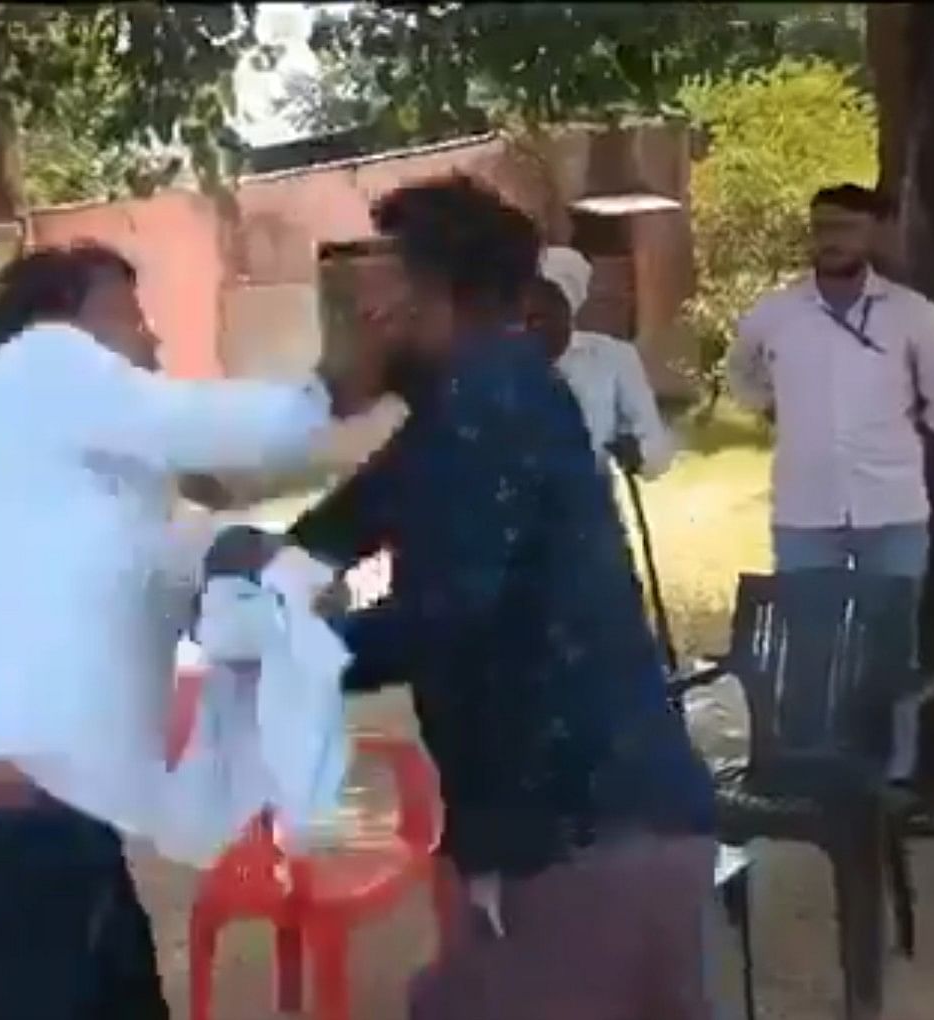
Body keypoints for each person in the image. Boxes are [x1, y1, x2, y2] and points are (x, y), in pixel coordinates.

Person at [0, 242, 380, 1020]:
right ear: (66, 323)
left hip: (59, 825)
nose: (152, 343)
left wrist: (277, 571)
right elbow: (193, 423)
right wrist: (333, 392)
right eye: (131, 317)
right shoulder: (36, 361)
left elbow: (189, 567)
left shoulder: (87, 499)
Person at [289, 177, 717, 1020]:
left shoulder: (489, 403)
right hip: (588, 828)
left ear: (426, 292)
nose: (357, 314)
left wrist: (275, 646)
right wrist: (244, 567)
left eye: (375, 285)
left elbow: (443, 617)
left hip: (585, 833)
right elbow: (347, 519)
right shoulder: (474, 402)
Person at [726, 183, 934, 823]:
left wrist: (913, 419)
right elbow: (743, 380)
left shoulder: (914, 316)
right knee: (808, 640)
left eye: (848, 227)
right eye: (822, 225)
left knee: (893, 649)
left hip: (891, 503)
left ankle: (893, 785)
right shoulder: (774, 314)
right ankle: (812, 776)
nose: (832, 238)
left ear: (875, 235)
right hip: (807, 507)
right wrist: (776, 405)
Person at [527, 245, 676, 479]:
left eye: (550, 306)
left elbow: (655, 443)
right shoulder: (495, 360)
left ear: (571, 307)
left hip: (588, 501)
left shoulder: (613, 357)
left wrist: (640, 452)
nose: (536, 317)